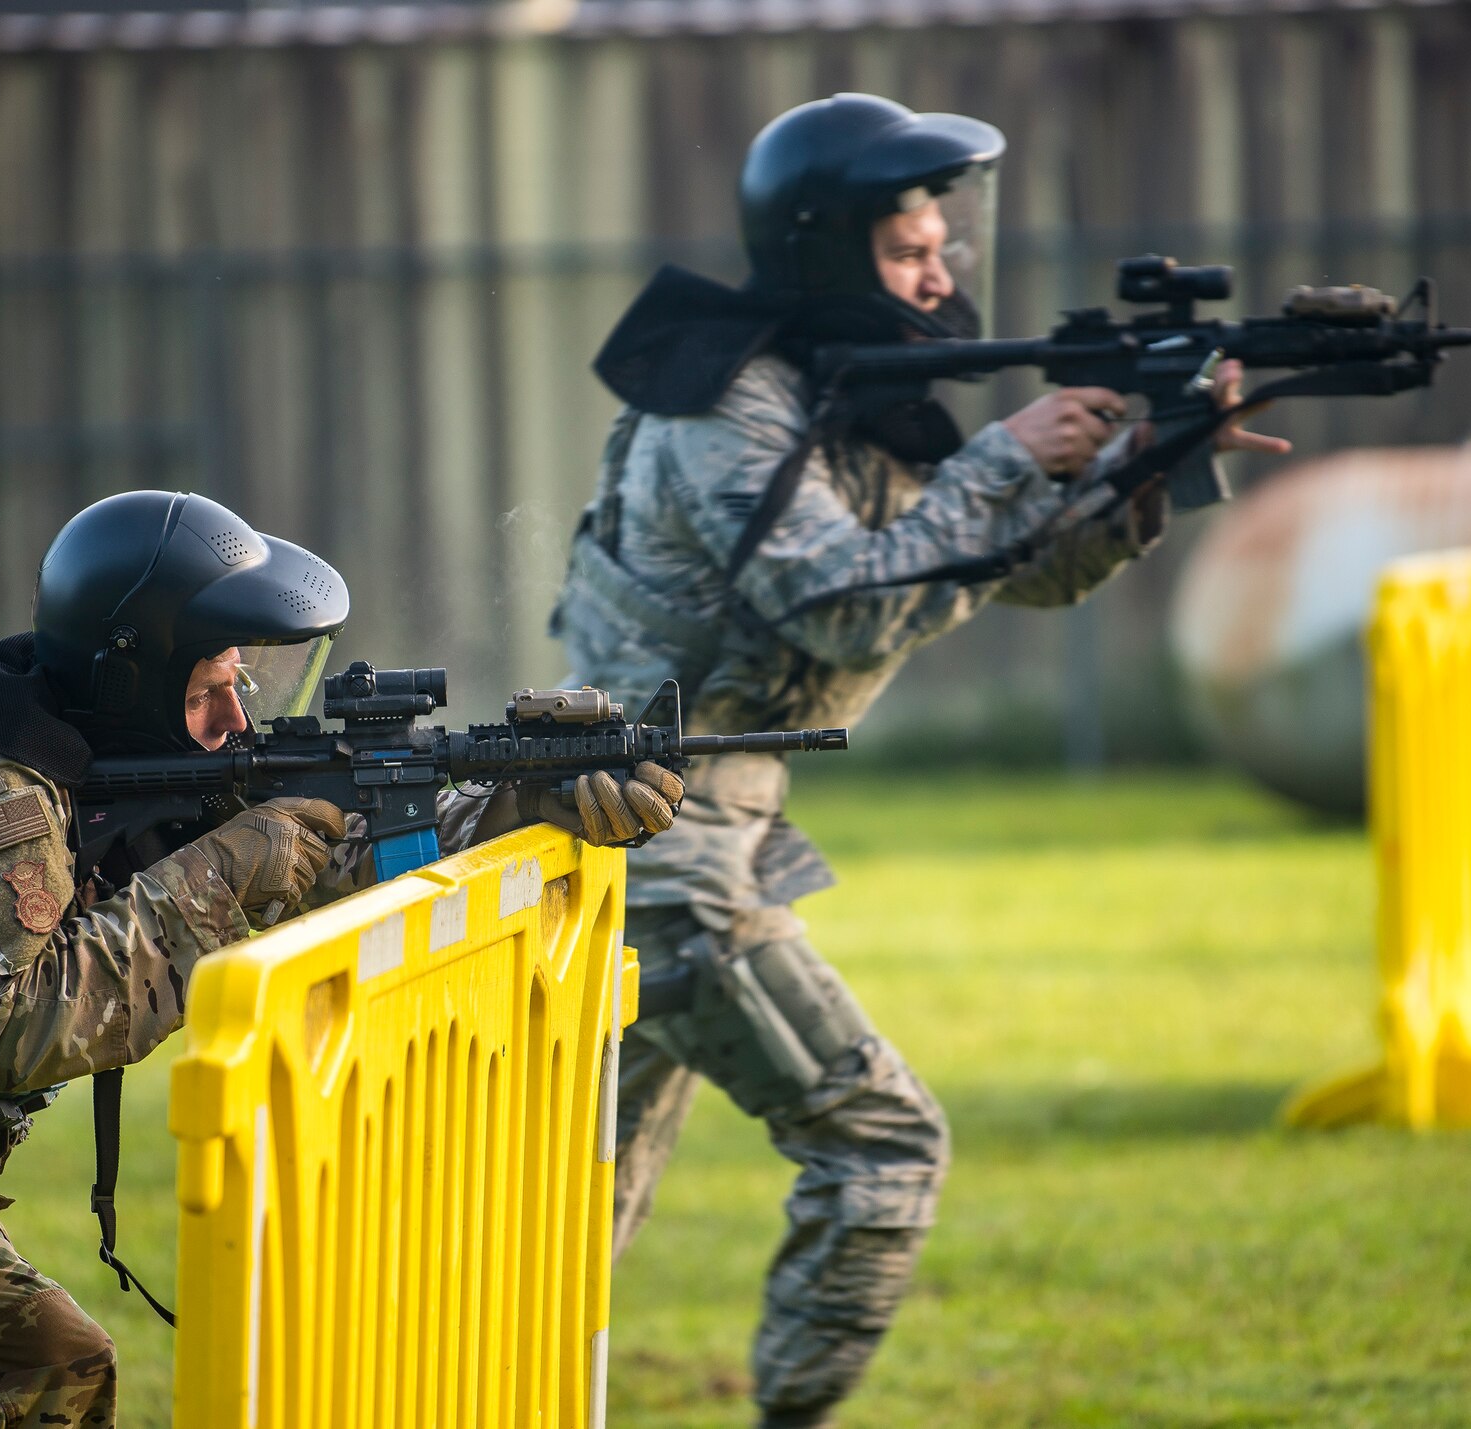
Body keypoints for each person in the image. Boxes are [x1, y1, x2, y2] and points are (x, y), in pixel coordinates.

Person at [551, 94, 1288, 1428]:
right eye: (907, 253)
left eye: (944, 243)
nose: (942, 275)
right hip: (649, 846)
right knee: (881, 1146)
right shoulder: (735, 402)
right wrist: (1009, 455)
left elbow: (999, 570)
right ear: (828, 253)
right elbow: (836, 600)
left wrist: (1153, 462)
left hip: (661, 845)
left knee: (568, 1225)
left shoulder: (836, 401)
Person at [0, 489, 678, 1426]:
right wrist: (231, 873)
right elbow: (14, 1029)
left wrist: (519, 801)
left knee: (42, 1377)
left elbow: (327, 853)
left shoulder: (117, 752)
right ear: (131, 676)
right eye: (209, 690)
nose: (237, 720)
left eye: (241, 683)